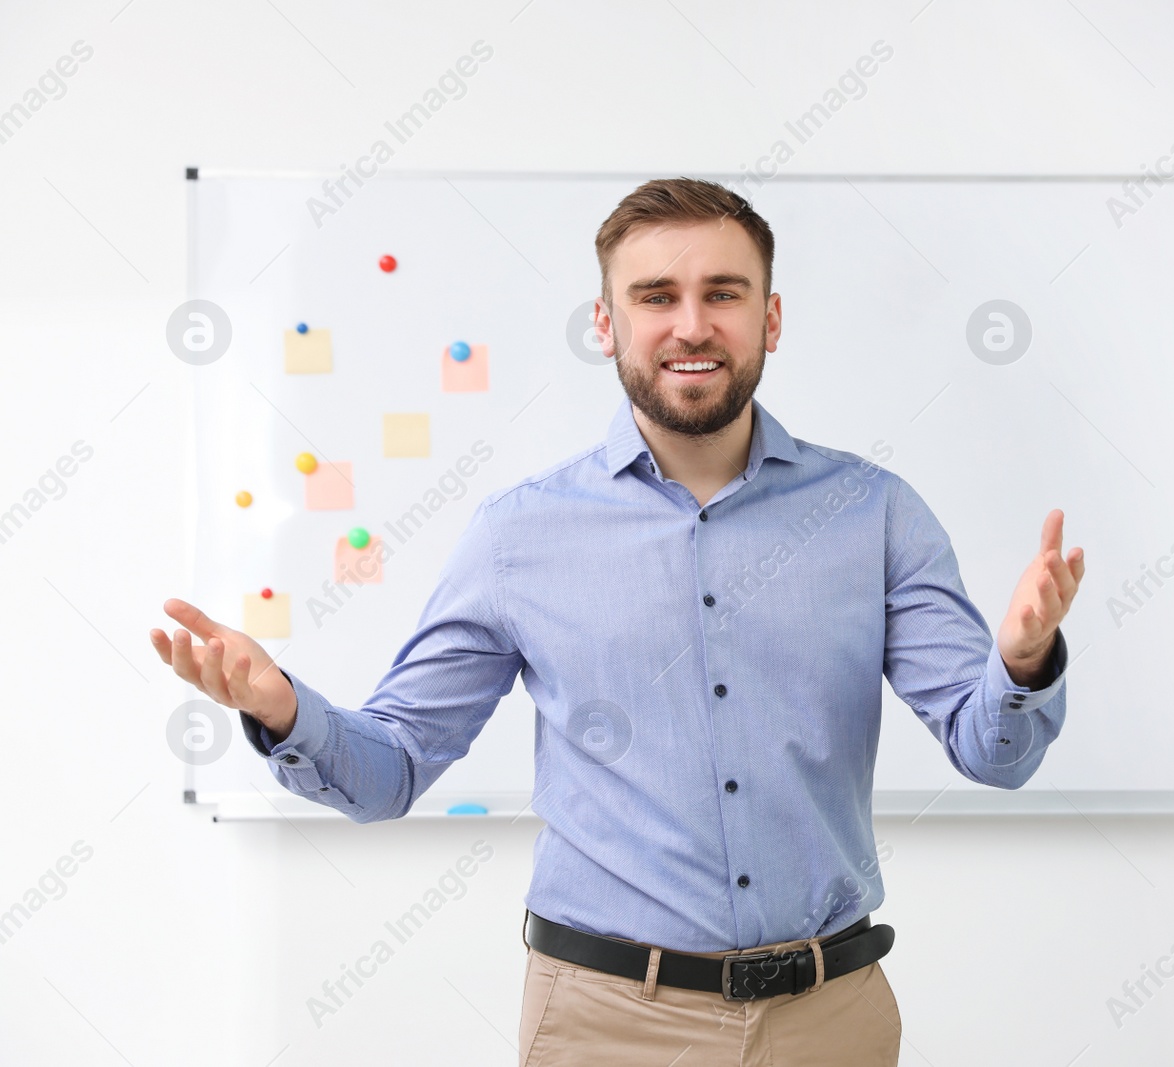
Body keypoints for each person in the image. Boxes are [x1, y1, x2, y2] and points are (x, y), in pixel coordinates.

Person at [150, 176, 1085, 1066]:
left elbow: (993, 753)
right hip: (604, 1025)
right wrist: (281, 710)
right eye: (655, 295)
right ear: (607, 323)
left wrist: (1022, 661)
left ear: (772, 317)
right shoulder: (519, 534)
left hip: (828, 1019)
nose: (691, 324)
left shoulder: (874, 514)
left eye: (723, 292)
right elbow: (392, 768)